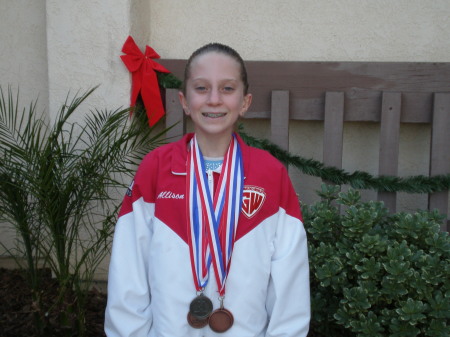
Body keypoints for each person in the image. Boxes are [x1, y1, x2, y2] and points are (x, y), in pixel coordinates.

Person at [105, 43, 310, 337]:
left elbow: (289, 286)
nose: (214, 99)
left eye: (227, 89)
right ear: (184, 100)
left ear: (245, 101)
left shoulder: (270, 174)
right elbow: (129, 273)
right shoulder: (156, 169)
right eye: (201, 88)